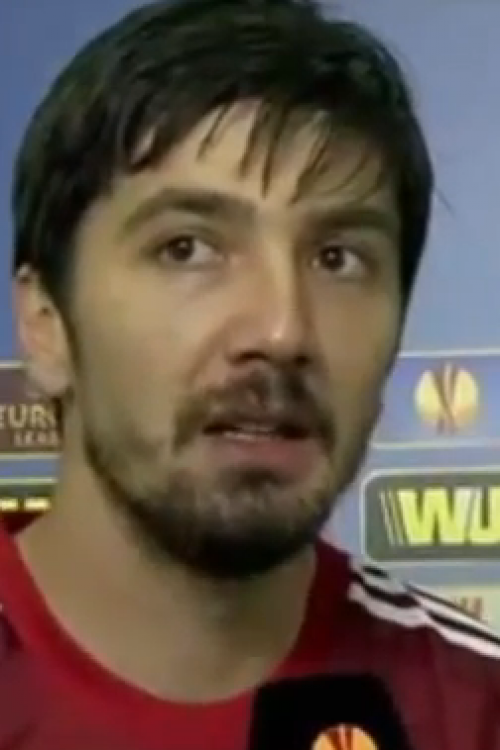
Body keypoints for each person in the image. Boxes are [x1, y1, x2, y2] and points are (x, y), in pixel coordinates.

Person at [1, 0, 499, 747]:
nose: (283, 330)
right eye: (188, 249)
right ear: (45, 324)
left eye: (338, 259)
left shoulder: (476, 709)